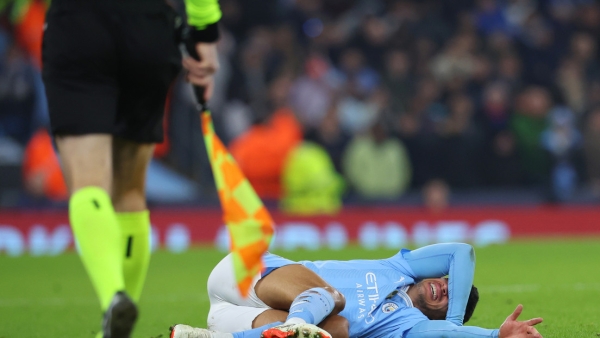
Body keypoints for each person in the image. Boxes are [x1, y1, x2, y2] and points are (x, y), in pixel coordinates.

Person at [41, 0, 221, 337]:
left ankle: (114, 296)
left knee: (89, 183)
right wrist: (205, 34)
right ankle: (120, 316)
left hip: (80, 24)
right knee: (130, 190)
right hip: (149, 26)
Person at [170, 243, 543, 338]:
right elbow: (462, 252)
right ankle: (295, 329)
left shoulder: (406, 327)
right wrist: (458, 316)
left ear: (438, 317)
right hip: (248, 274)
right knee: (332, 300)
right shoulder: (397, 269)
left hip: (233, 316)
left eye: (447, 295)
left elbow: (444, 336)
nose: (443, 286)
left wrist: (495, 334)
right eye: (447, 282)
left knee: (337, 331)